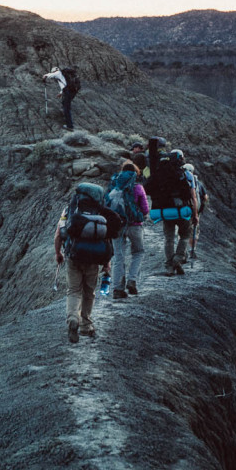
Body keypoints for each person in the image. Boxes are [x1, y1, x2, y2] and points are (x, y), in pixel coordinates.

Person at [54, 183, 121, 342]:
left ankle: (73, 319)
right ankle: (86, 325)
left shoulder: (70, 210)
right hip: (94, 259)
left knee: (74, 290)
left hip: (74, 256)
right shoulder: (102, 213)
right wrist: (106, 262)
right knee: (89, 291)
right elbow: (107, 239)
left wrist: (58, 253)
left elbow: (59, 233)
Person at [145, 137, 194, 275]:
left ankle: (169, 265)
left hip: (164, 210)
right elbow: (187, 193)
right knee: (184, 235)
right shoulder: (180, 173)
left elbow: (148, 189)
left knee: (169, 238)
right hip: (181, 209)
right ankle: (177, 259)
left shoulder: (157, 174)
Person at [106, 159, 148, 298]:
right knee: (138, 252)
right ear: (135, 173)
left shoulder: (114, 185)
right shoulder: (137, 187)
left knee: (118, 257)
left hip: (117, 225)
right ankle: (132, 280)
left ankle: (118, 289)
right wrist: (140, 215)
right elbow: (145, 208)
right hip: (135, 226)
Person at [43, 66, 81, 131]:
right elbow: (65, 85)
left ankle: (69, 126)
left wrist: (45, 76)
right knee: (66, 105)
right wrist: (61, 93)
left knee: (66, 107)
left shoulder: (58, 72)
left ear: (54, 71)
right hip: (72, 91)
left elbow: (49, 75)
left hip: (67, 91)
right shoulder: (65, 75)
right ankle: (68, 122)